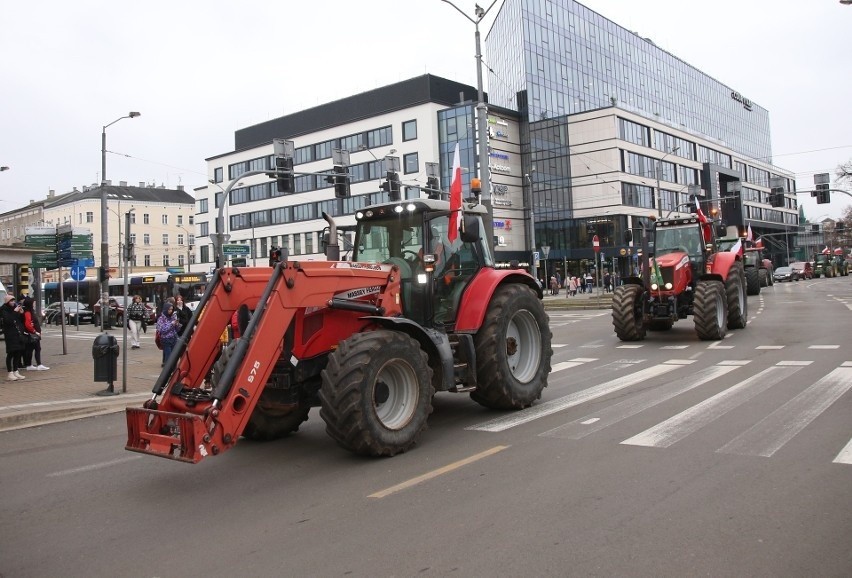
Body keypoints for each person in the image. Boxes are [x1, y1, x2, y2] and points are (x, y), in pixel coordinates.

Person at [1, 295, 27, 381]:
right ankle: (10, 373)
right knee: (11, 353)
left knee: (18, 352)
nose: (13, 303)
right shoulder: (3, 309)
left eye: (13, 301)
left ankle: (16, 371)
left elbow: (20, 320)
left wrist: (21, 313)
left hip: (18, 333)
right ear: (7, 302)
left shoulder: (14, 308)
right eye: (11, 301)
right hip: (10, 334)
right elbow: (9, 321)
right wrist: (15, 312)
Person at [21, 298, 48, 371]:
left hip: (33, 333)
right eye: (33, 303)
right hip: (33, 334)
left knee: (31, 349)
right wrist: (34, 331)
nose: (34, 304)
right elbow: (27, 324)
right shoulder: (28, 312)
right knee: (37, 348)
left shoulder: (29, 311)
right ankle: (38, 364)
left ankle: (29, 364)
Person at [155, 302, 181, 366]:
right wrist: (171, 324)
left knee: (174, 356)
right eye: (169, 309)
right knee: (168, 356)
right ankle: (167, 368)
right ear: (165, 309)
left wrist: (177, 325)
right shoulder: (161, 319)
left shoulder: (173, 317)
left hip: (174, 338)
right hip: (166, 339)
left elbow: (177, 330)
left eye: (172, 309)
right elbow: (162, 330)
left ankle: (173, 368)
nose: (170, 311)